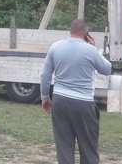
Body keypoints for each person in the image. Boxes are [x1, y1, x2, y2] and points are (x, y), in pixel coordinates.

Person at [40, 19, 112, 164]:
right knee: (88, 148)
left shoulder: (56, 47)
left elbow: (45, 75)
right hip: (84, 103)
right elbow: (107, 69)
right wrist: (95, 48)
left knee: (64, 148)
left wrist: (45, 97)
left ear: (70, 31)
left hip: (60, 100)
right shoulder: (91, 50)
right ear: (86, 34)